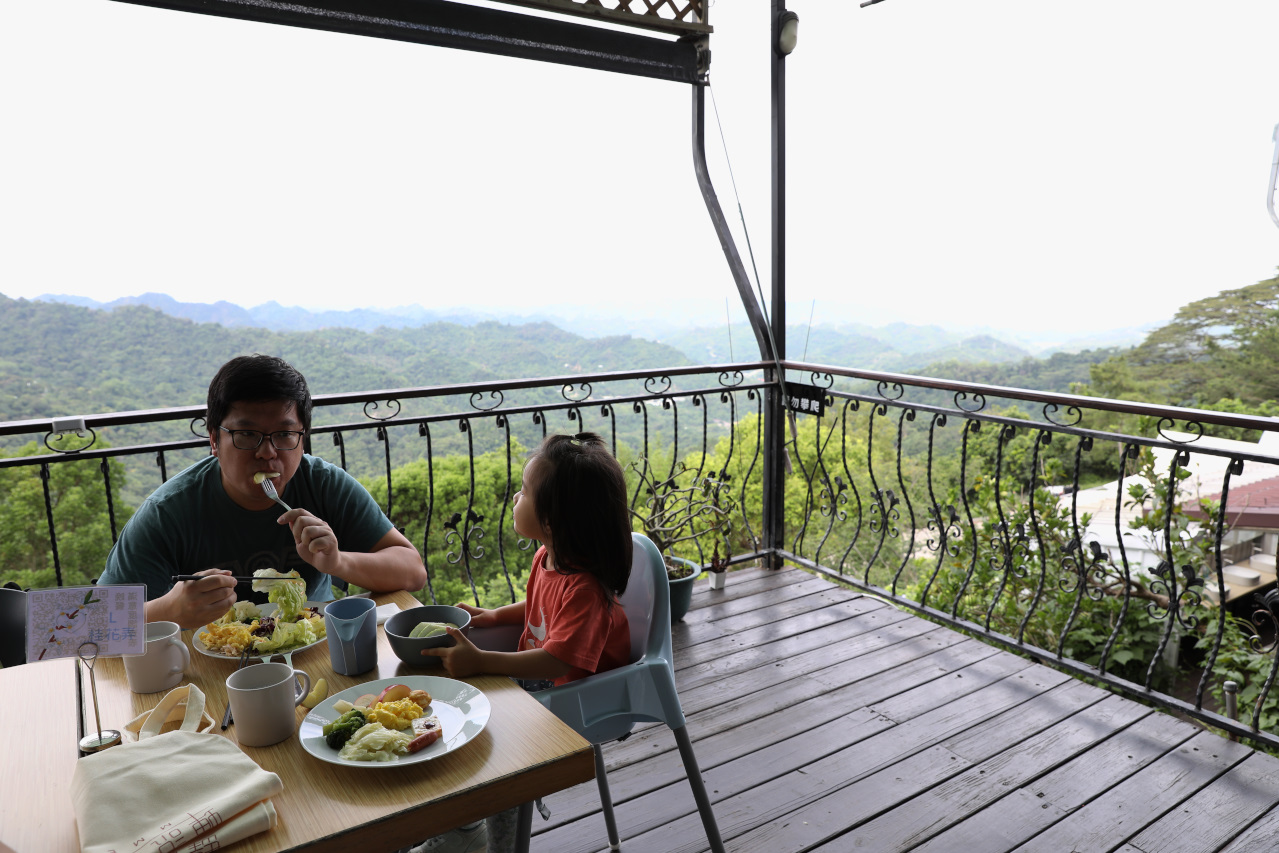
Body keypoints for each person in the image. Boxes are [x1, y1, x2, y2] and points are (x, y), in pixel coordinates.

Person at [415, 432, 633, 853]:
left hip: (578, 696)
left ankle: (494, 832)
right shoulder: (547, 557)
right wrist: (495, 616)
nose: (515, 496)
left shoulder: (586, 589)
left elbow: (558, 659)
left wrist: (482, 661)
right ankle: (459, 820)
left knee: (495, 747)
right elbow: (540, 605)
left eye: (525, 492)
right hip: (543, 683)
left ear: (552, 520)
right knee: (454, 702)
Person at [98, 354, 426, 628]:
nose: (267, 452)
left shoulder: (323, 484)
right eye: (246, 435)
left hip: (315, 650)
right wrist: (169, 610)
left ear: (303, 437)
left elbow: (412, 571)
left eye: (284, 435)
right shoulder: (167, 513)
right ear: (214, 439)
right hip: (214, 667)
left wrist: (338, 562)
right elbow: (82, 625)